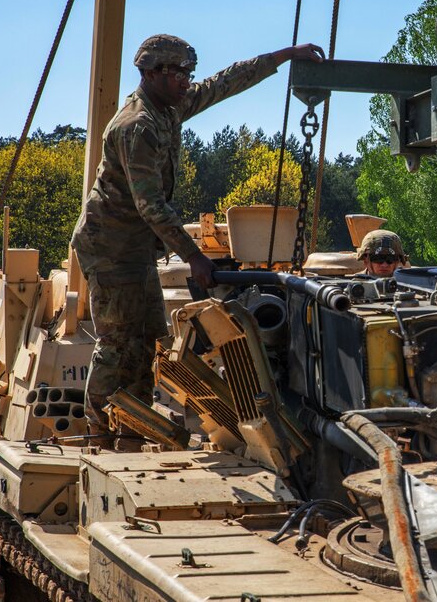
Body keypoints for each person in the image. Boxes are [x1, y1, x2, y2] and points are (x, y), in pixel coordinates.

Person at [71, 34, 324, 445]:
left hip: (134, 247)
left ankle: (133, 428)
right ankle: (100, 433)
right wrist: (195, 257)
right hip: (110, 247)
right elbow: (150, 205)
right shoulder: (138, 126)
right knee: (118, 342)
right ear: (153, 74)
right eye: (179, 74)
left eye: (189, 73)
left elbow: (227, 81)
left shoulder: (169, 106)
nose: (188, 81)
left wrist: (284, 55)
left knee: (149, 339)